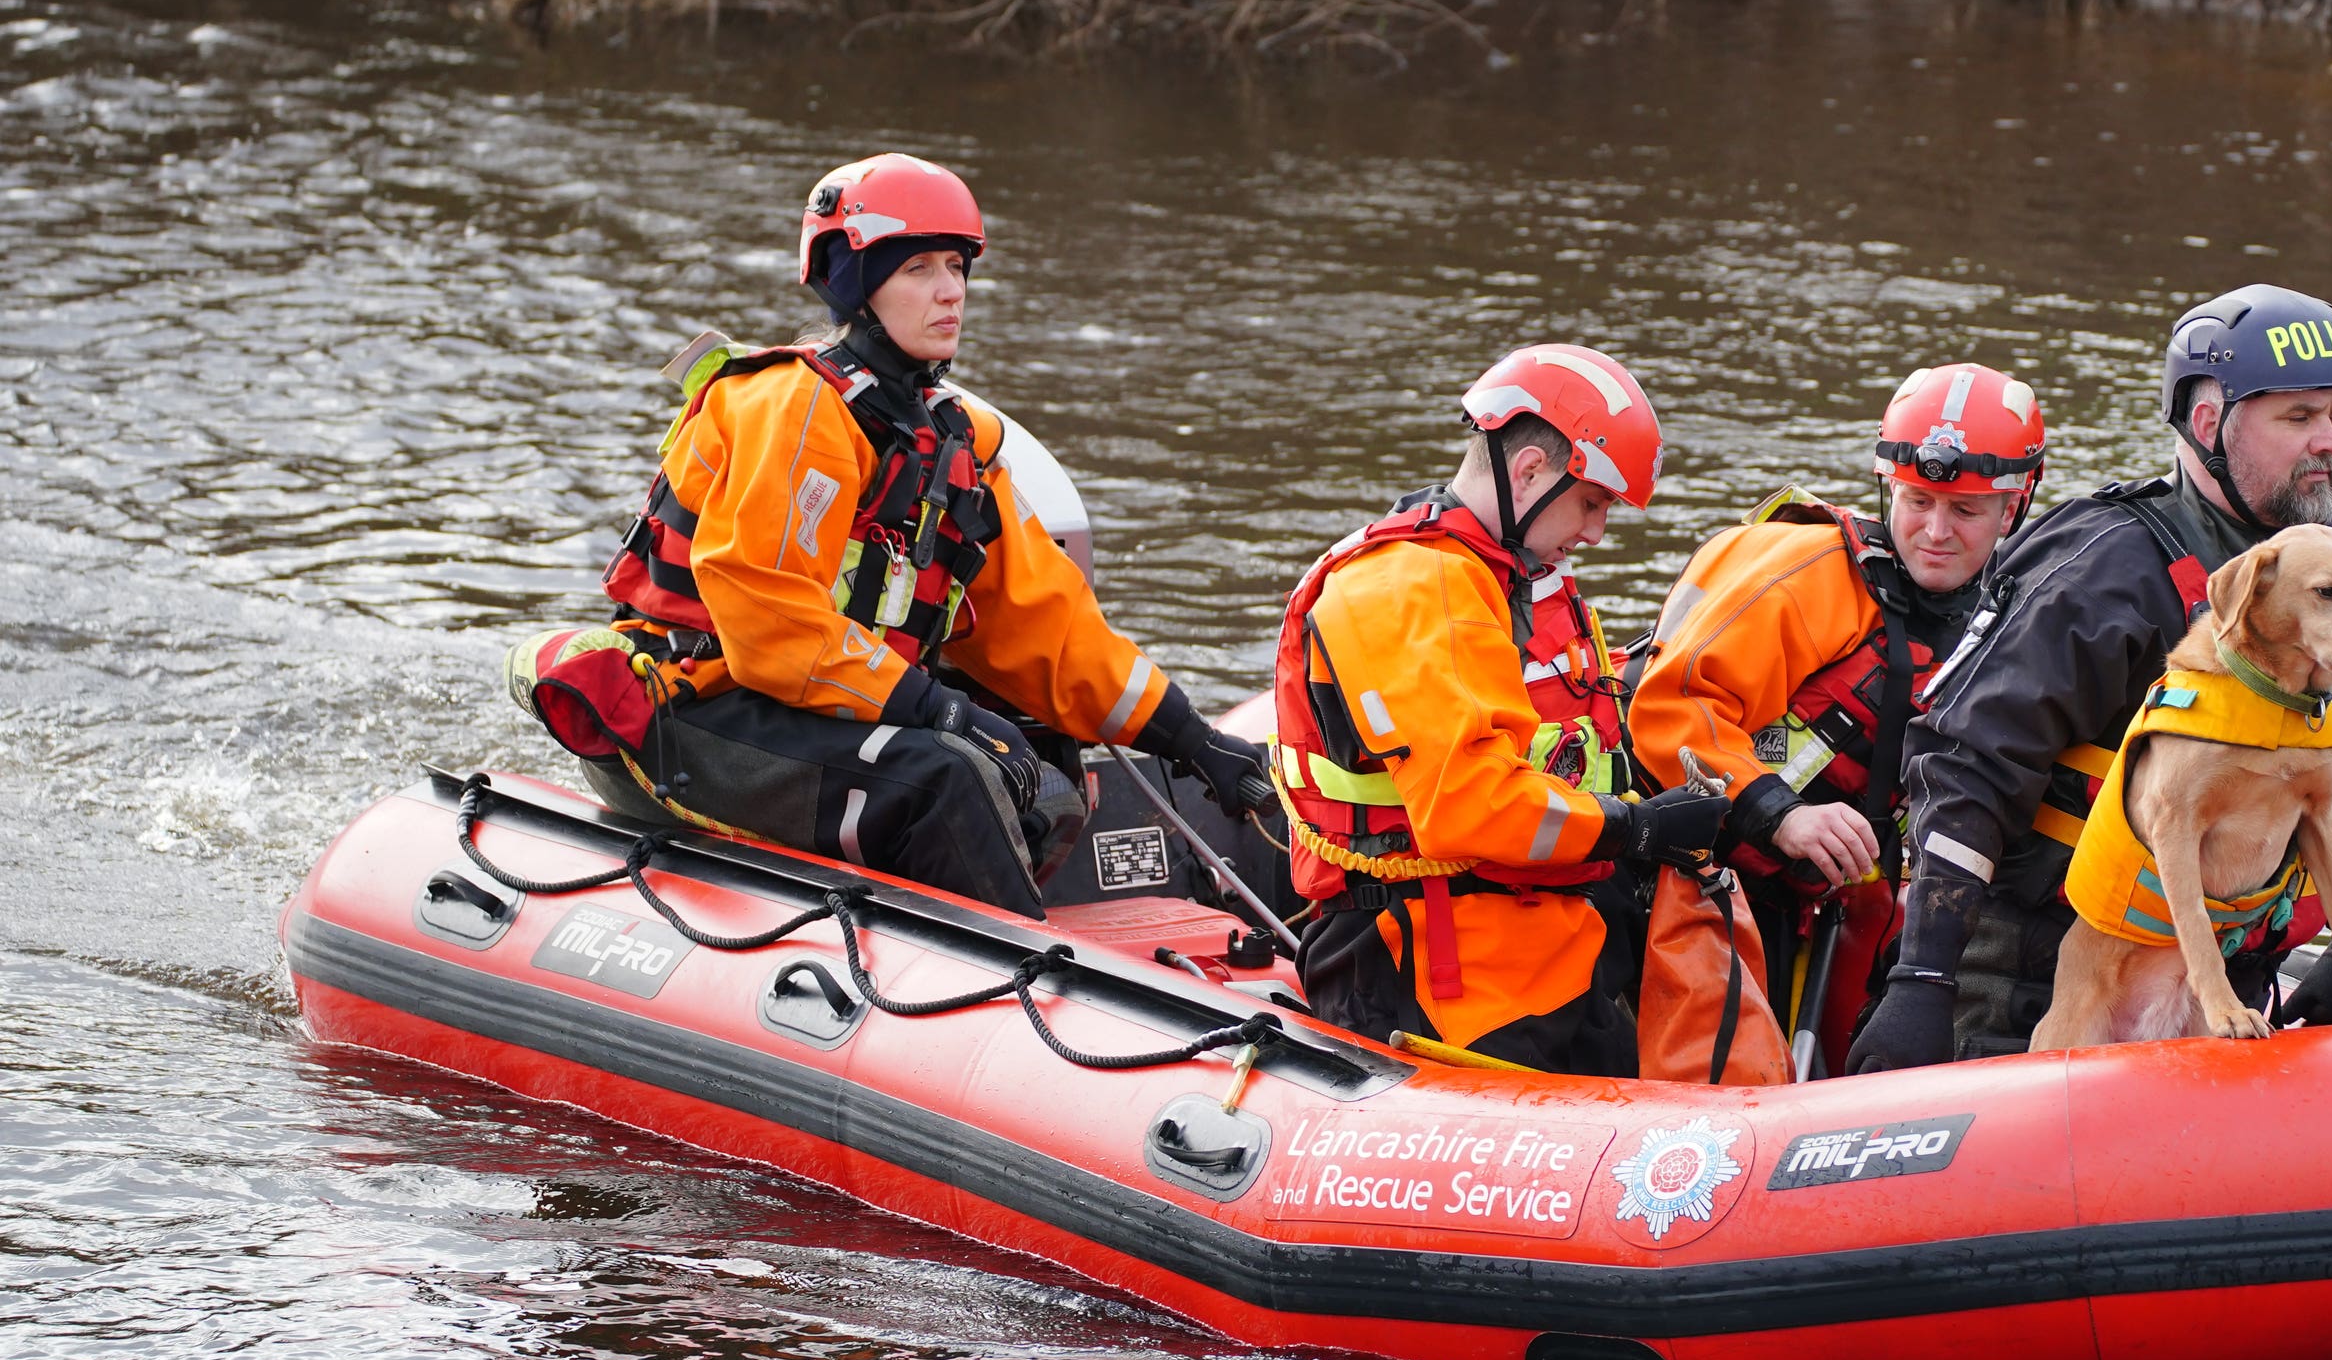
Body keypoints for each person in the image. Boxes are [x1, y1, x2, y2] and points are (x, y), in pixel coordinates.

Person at [508, 153, 1271, 915]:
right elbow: (768, 622)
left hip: (800, 713)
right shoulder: (795, 408)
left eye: (957, 268)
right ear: (856, 282)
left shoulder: (955, 439)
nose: (950, 291)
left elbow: (1046, 626)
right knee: (950, 775)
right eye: (917, 271)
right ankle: (1019, 985)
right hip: (699, 714)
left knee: (1042, 773)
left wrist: (1191, 740)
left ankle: (935, 940)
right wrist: (938, 711)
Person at [1848, 285, 2332, 1073]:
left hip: (2226, 986)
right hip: (2045, 974)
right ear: (2209, 424)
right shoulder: (2104, 566)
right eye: (2298, 418)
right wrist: (1920, 985)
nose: (2328, 441)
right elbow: (1964, 773)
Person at [1271, 346, 1732, 1072]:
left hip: (1536, 946)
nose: (1595, 533)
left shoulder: (1498, 578)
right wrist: (1640, 830)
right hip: (1435, 966)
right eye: (1592, 502)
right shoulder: (1417, 586)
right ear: (1528, 473)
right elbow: (1472, 801)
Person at [1626, 364, 2046, 1082]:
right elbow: (1669, 707)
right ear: (1890, 487)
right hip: (1696, 874)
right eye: (1917, 502)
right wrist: (1779, 813)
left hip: (1843, 893)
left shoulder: (2020, 612)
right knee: (1724, 1081)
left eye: (1966, 511)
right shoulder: (1812, 575)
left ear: (2015, 507)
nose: (1935, 532)